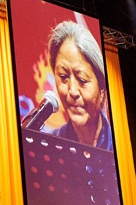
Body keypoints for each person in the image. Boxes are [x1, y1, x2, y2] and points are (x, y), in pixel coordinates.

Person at [46, 20, 113, 151]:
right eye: (63, 77)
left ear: (102, 90)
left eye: (82, 80)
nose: (73, 91)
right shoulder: (50, 149)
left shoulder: (121, 149)